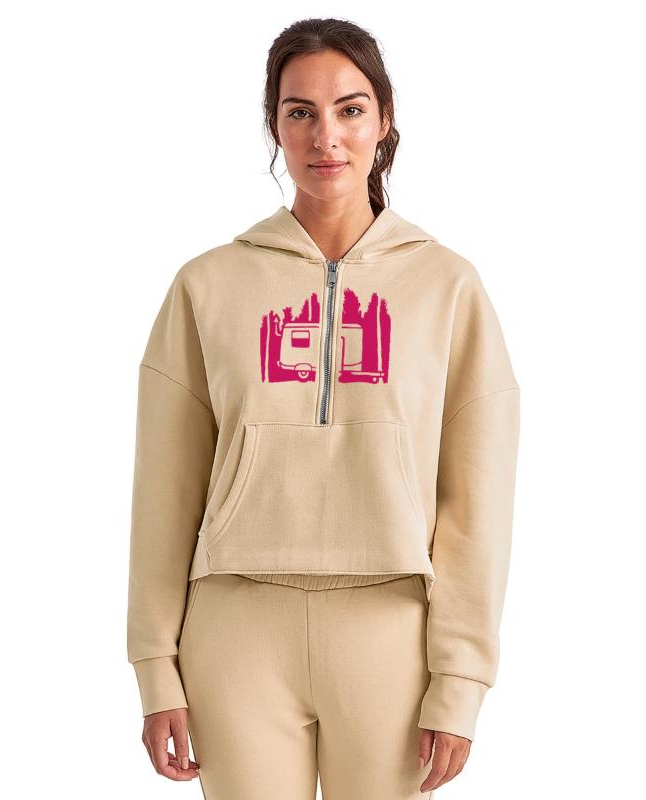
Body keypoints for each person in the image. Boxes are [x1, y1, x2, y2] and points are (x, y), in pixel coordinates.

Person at [126, 17, 520, 800]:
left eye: (350, 109)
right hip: (235, 632)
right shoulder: (208, 284)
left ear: (384, 121)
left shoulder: (447, 286)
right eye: (299, 111)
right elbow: (164, 489)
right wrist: (155, 666)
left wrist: (461, 679)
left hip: (392, 635)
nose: (325, 136)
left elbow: (477, 501)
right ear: (274, 124)